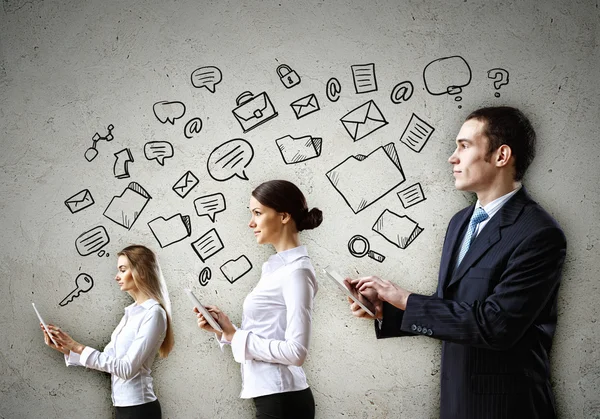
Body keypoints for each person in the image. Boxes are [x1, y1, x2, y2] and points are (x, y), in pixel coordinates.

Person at [348, 106, 567, 419]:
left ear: (501, 156)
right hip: (456, 402)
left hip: (508, 408)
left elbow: (496, 325)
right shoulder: (460, 222)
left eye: (464, 146)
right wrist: (387, 310)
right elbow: (454, 306)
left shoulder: (539, 233)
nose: (452, 157)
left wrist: (407, 299)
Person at [194, 180, 323, 419]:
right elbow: (267, 333)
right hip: (272, 397)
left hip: (283, 401)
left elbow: (296, 352)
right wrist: (224, 330)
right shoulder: (275, 268)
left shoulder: (297, 273)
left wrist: (235, 335)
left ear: (284, 216)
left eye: (258, 213)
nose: (251, 222)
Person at [40, 245, 174, 419]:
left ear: (141, 272)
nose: (116, 276)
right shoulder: (131, 312)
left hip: (140, 410)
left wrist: (79, 348)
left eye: (123, 270)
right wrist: (67, 349)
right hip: (122, 407)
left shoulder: (154, 314)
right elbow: (109, 359)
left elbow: (126, 369)